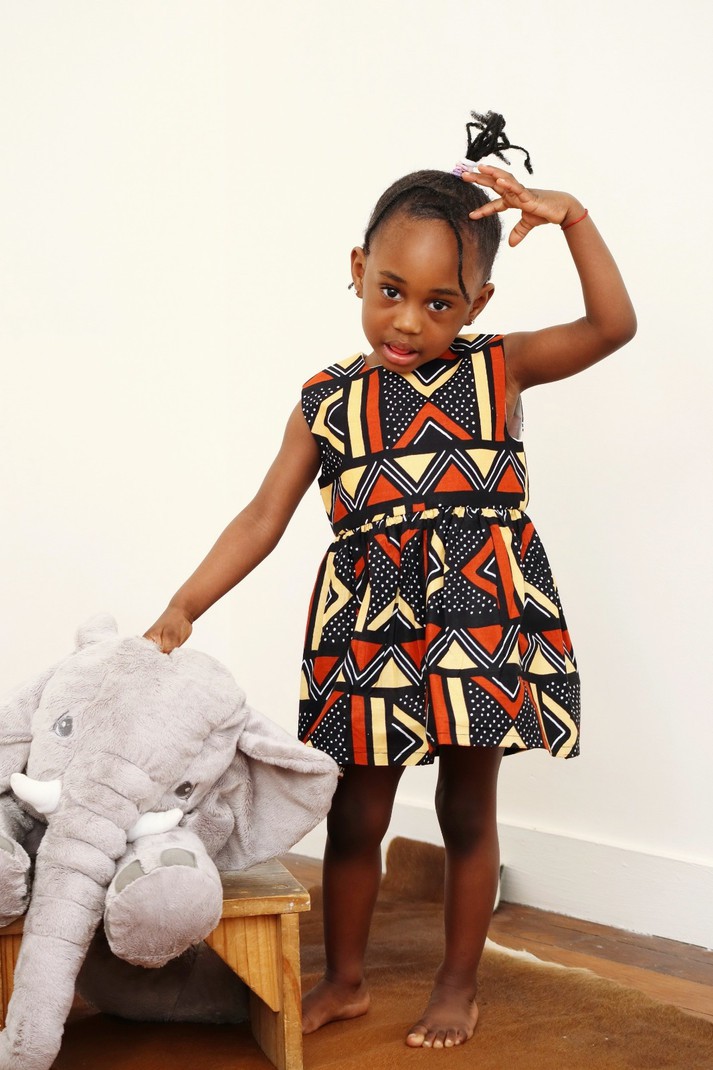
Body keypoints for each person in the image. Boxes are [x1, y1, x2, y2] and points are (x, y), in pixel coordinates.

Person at [145, 112, 636, 1050]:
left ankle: (457, 984)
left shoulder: (500, 368)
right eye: (390, 291)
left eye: (441, 304)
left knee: (466, 808)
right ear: (358, 268)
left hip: (478, 616)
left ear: (478, 303)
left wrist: (572, 217)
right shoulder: (325, 401)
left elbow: (612, 326)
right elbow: (261, 517)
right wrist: (184, 605)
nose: (409, 321)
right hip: (369, 626)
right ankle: (346, 980)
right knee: (357, 811)